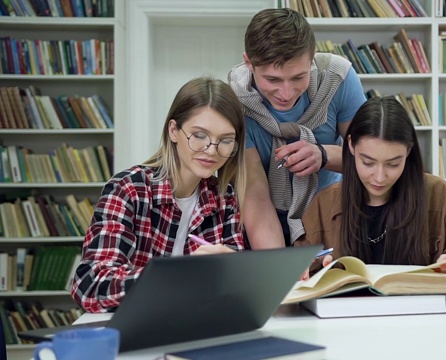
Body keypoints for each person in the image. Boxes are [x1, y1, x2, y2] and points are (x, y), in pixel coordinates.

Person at [71, 77, 247, 312]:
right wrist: (177, 275)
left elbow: (236, 289)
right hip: (137, 327)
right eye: (199, 135)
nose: (211, 150)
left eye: (225, 140)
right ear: (173, 130)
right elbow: (90, 286)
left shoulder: (225, 198)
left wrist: (236, 272)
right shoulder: (128, 189)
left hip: (198, 324)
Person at [295, 97, 446, 286]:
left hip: (422, 314)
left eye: (393, 164)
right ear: (351, 145)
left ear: (408, 151)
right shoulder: (325, 203)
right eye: (367, 162)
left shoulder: (438, 195)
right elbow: (299, 283)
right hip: (345, 315)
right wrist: (309, 274)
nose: (379, 177)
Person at [228, 8, 366, 248]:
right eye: (272, 80)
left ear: (312, 59)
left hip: (332, 213)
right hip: (264, 222)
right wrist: (280, 270)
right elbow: (256, 198)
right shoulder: (235, 101)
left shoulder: (338, 79)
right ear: (249, 62)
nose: (286, 93)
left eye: (298, 78)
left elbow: (373, 160)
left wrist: (324, 155)